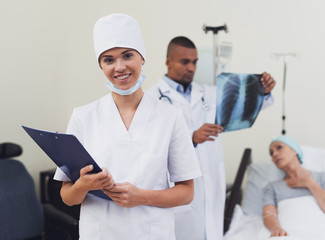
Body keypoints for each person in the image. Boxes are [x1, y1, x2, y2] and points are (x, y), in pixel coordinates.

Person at [53, 14, 202, 240]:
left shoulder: (170, 117)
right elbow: (68, 197)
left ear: (142, 57)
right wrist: (82, 185)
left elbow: (186, 193)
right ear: (101, 66)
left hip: (152, 233)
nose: (119, 67)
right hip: (100, 233)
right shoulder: (83, 117)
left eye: (127, 55)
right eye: (108, 60)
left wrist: (141, 197)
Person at [146, 36, 276, 240]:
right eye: (184, 62)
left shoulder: (208, 93)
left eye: (195, 62)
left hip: (211, 185)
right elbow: (149, 145)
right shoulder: (151, 99)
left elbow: (243, 109)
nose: (191, 67)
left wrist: (262, 90)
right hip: (177, 188)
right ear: (168, 61)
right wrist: (191, 138)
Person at [263, 136, 325, 237]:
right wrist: (275, 228)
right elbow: (269, 214)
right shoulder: (272, 187)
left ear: (294, 150)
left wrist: (310, 184)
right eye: (271, 153)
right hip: (291, 233)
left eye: (279, 147)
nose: (274, 154)